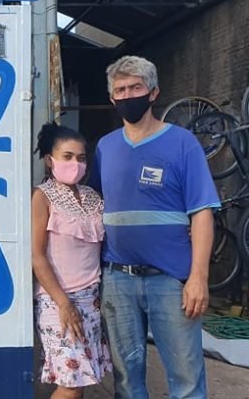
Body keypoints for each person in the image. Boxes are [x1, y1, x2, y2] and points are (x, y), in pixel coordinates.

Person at [88, 55, 219, 399]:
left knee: (186, 381)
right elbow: (93, 206)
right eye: (120, 90)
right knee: (127, 382)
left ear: (153, 93)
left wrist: (198, 277)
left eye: (136, 87)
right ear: (112, 98)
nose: (127, 95)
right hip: (117, 279)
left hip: (171, 280)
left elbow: (202, 212)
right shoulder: (105, 147)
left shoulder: (183, 143)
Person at [32, 122, 112, 399]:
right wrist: (64, 303)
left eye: (80, 157)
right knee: (70, 385)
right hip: (58, 301)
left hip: (91, 300)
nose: (75, 164)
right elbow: (37, 256)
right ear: (49, 160)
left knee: (81, 380)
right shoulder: (42, 197)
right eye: (67, 156)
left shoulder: (92, 198)